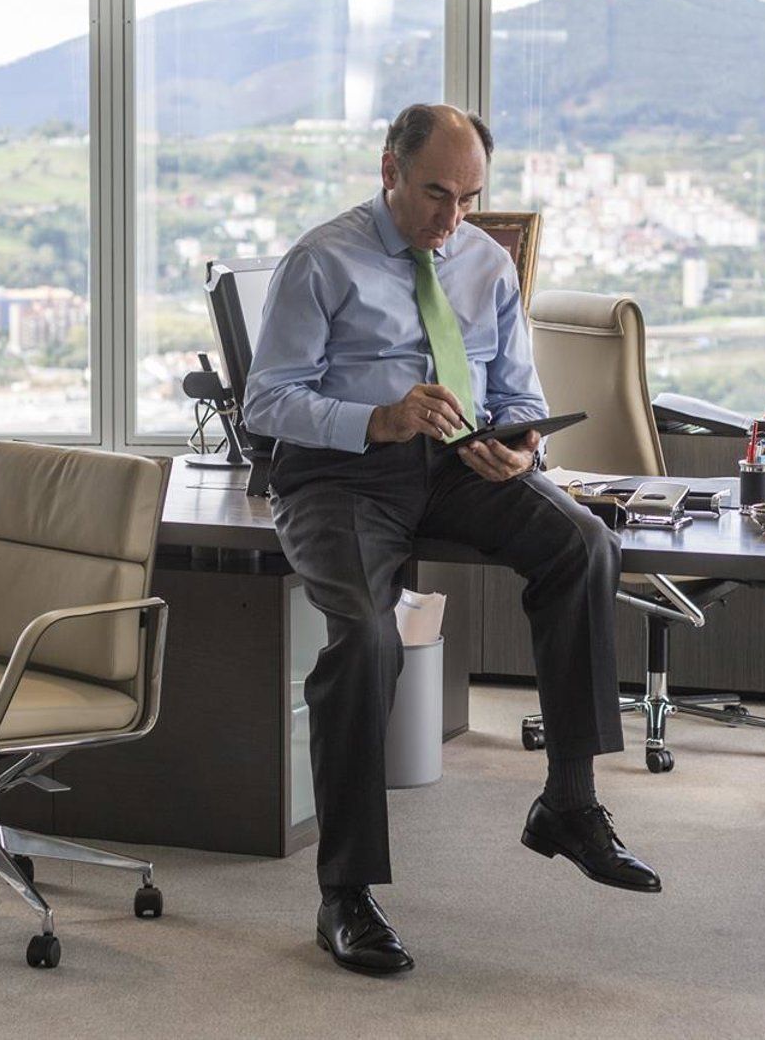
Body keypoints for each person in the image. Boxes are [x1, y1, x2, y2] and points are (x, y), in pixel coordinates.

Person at [244, 103, 659, 977]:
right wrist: (379, 418)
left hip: (459, 463)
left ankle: (569, 802)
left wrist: (521, 442)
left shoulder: (484, 261)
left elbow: (517, 389)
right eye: (437, 194)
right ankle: (345, 893)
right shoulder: (321, 260)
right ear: (388, 170)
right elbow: (268, 401)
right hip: (342, 473)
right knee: (365, 638)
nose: (453, 218)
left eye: (469, 199)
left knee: (582, 543)